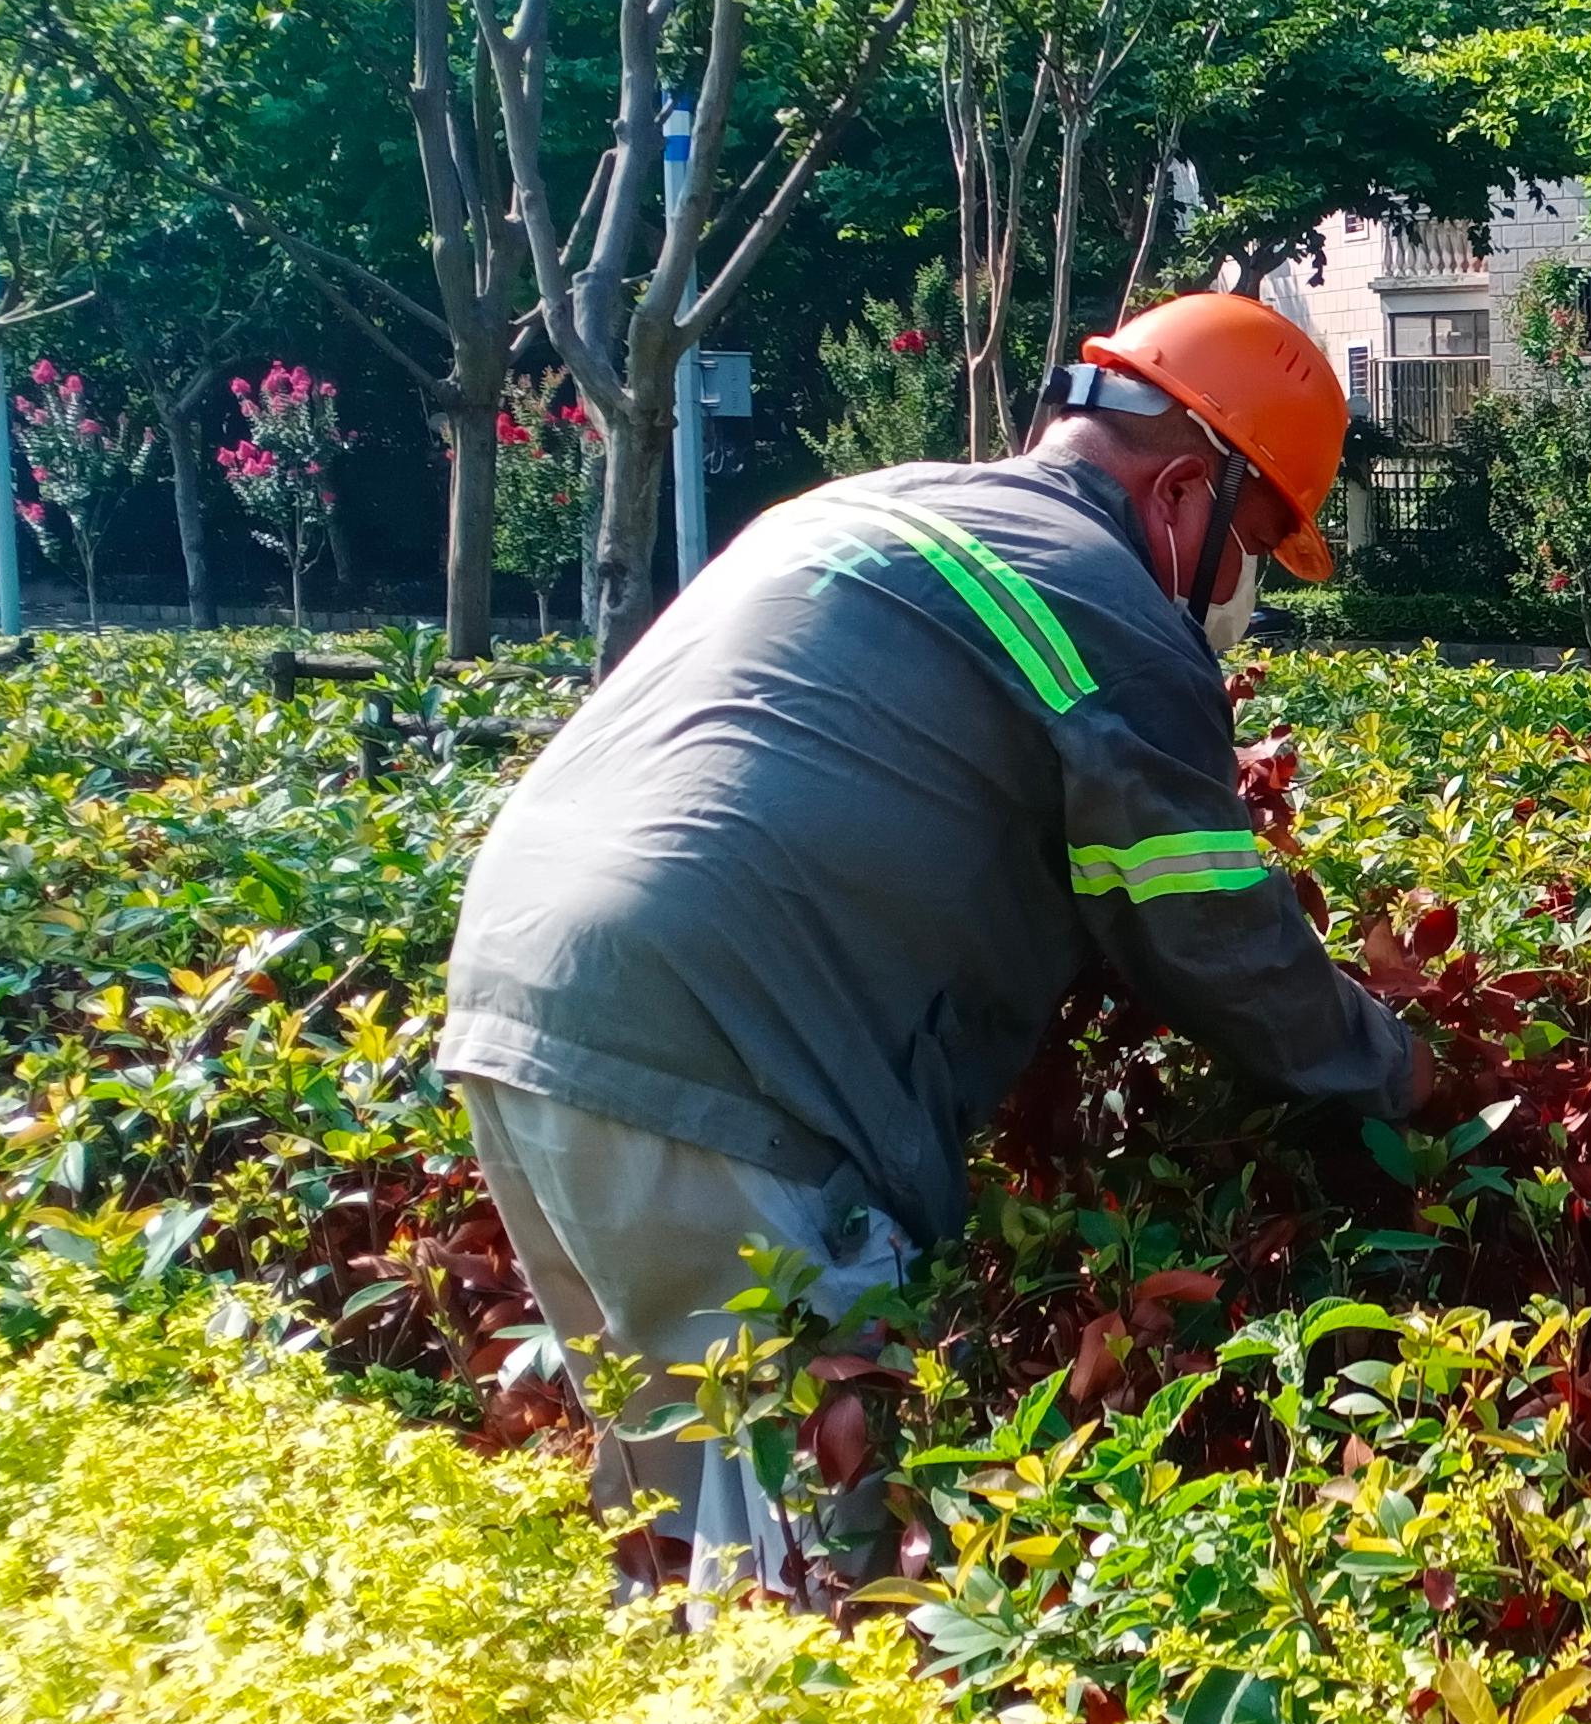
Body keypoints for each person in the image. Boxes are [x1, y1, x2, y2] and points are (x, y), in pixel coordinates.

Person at [441, 292, 1429, 1598]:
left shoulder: (869, 505)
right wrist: (1402, 1076)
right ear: (1184, 490)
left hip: (523, 992)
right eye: (1250, 546)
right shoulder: (1107, 609)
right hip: (722, 1053)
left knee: (684, 1515)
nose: (1239, 594)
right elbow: (1216, 942)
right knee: (835, 1536)